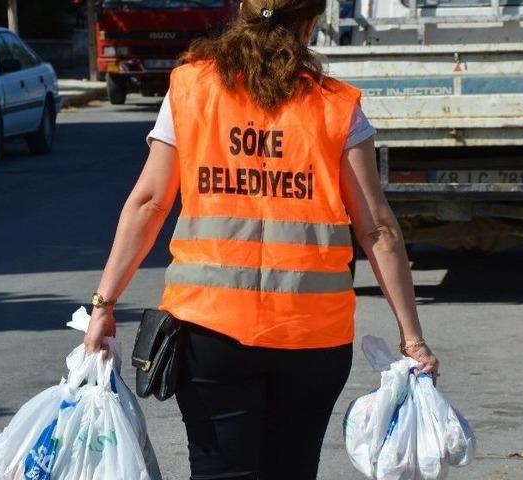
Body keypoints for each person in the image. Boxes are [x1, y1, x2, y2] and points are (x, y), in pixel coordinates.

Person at [83, 0, 439, 477]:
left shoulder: (190, 90)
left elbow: (149, 203)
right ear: (311, 25)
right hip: (311, 337)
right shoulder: (337, 107)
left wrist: (104, 304)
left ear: (242, 16)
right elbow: (377, 228)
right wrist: (411, 338)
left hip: (209, 330)